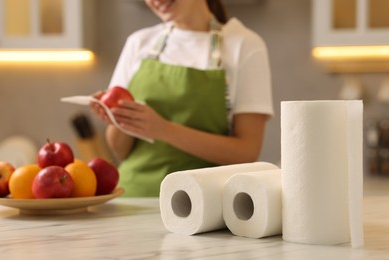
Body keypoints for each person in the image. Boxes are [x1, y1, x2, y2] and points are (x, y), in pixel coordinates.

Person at [91, 0, 274, 197]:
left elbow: (247, 152)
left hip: (200, 205)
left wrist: (164, 130)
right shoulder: (139, 43)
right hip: (133, 198)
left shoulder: (245, 46)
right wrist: (120, 120)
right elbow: (121, 151)